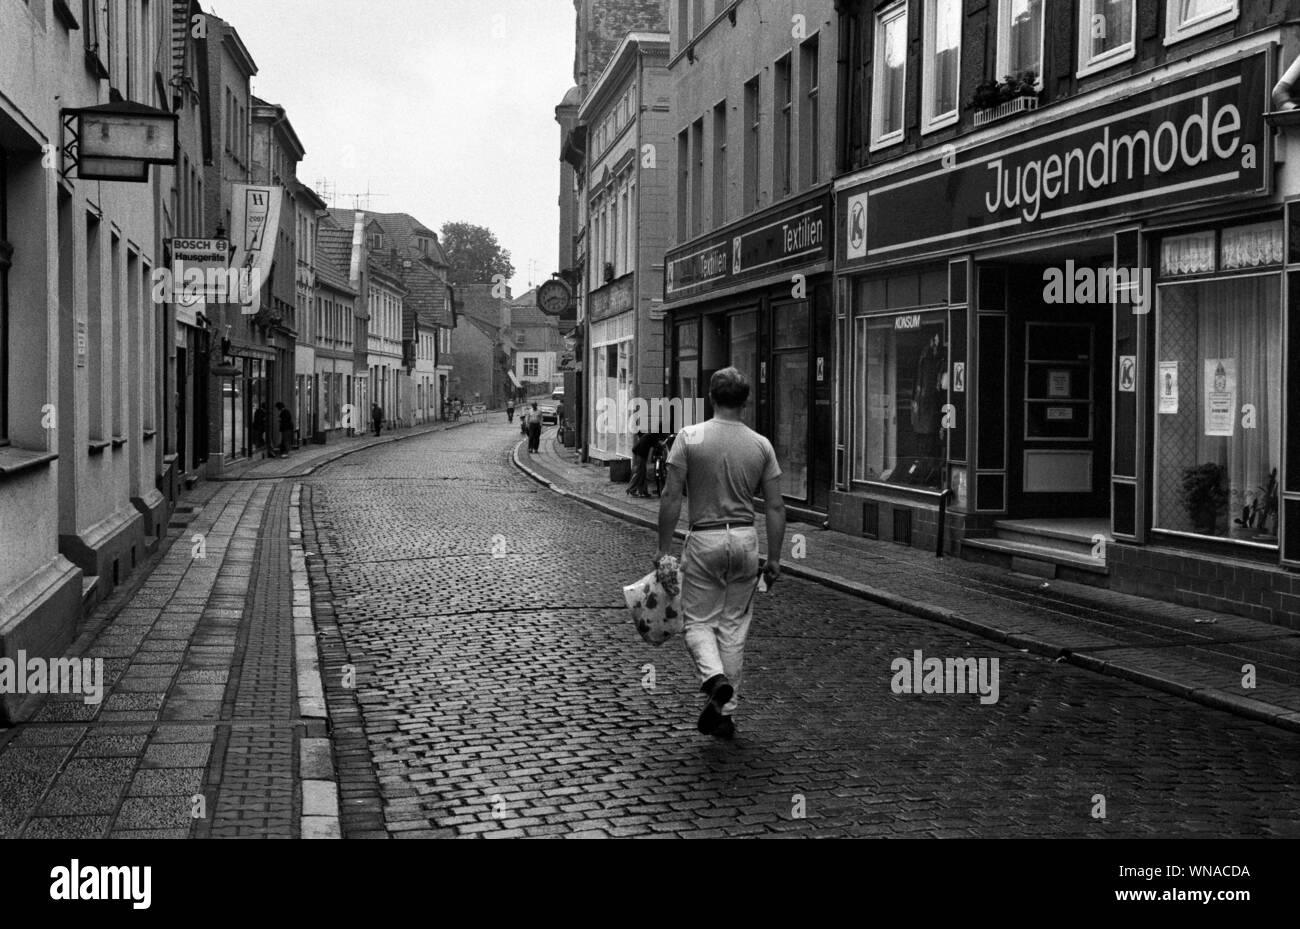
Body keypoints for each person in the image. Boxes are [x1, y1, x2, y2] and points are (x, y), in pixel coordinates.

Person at [656, 367, 785, 740]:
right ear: (746, 401)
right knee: (733, 628)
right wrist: (774, 559)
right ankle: (725, 712)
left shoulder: (690, 438)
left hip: (705, 539)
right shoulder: (761, 445)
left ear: (711, 397)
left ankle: (714, 681)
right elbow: (775, 507)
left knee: (697, 621)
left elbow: (671, 495)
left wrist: (665, 551)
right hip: (745, 541)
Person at [626, 430, 657, 498]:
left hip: (641, 452)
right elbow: (653, 448)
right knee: (640, 472)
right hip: (641, 453)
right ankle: (631, 489)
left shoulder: (651, 434)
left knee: (643, 472)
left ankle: (643, 491)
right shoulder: (654, 436)